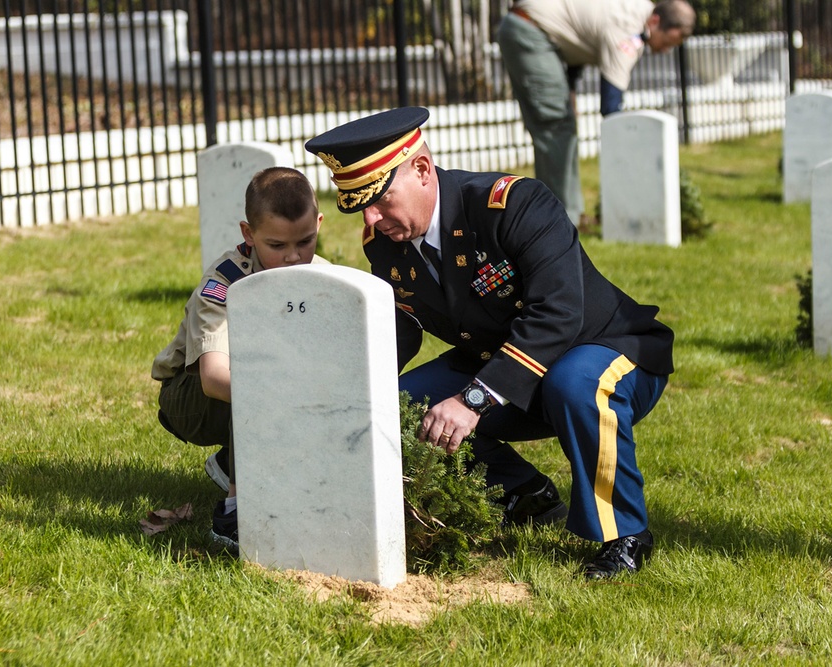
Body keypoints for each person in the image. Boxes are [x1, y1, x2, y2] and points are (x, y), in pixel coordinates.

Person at [304, 107, 674, 579]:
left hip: (609, 351)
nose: (371, 216)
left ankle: (625, 534)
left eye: (380, 198)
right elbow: (401, 326)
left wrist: (475, 397)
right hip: (513, 370)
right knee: (398, 402)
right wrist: (345, 387)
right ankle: (522, 493)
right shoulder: (384, 243)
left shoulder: (514, 205)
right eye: (358, 205)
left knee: (576, 381)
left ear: (421, 169)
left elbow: (558, 313)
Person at [151, 167, 328, 554]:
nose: (293, 256)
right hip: (192, 395)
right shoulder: (226, 283)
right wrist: (284, 398)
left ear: (318, 223)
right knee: (260, 377)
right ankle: (235, 511)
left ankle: (238, 460)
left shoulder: (324, 279)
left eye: (305, 241)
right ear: (248, 234)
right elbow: (214, 378)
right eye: (277, 245)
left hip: (260, 384)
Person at [496, 0, 696, 225]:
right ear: (656, 21)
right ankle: (559, 220)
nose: (666, 50)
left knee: (563, 126)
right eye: (668, 42)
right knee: (555, 126)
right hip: (530, 30)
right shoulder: (627, 26)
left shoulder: (637, 10)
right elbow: (611, 105)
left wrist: (570, 89)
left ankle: (569, 213)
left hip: (539, 32)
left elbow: (577, 39)